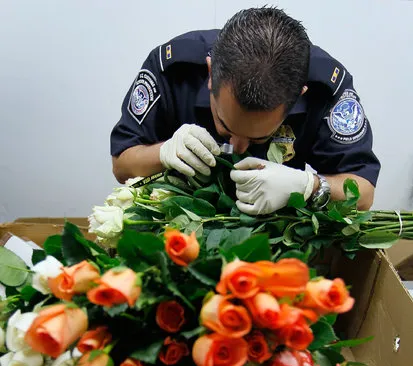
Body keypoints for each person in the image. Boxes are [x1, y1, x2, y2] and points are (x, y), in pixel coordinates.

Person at [111, 7, 380, 214]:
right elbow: (122, 166)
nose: (238, 148)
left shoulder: (327, 88)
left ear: (299, 97)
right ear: (210, 75)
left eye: (259, 138)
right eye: (224, 125)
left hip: (275, 230)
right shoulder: (172, 69)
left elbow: (363, 194)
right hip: (175, 224)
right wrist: (163, 153)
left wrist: (308, 186)